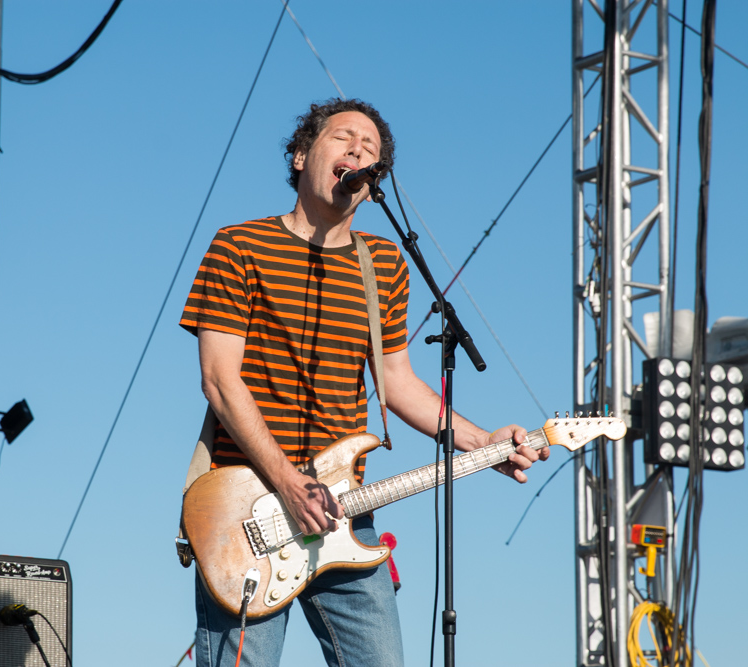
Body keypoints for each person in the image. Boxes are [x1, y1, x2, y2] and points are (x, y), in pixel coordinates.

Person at [179, 98, 549, 666]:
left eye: (371, 149)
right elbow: (220, 380)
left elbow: (397, 384)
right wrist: (286, 481)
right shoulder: (238, 247)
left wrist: (483, 443)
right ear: (301, 155)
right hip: (247, 506)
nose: (358, 150)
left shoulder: (383, 263)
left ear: (373, 182)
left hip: (343, 511)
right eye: (344, 138)